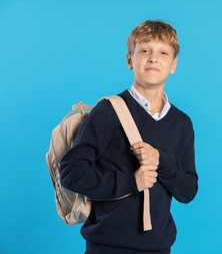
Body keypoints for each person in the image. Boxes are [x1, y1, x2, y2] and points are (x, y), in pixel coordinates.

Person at [60, 20, 198, 254]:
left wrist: (161, 160)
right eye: (144, 50)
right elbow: (71, 174)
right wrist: (132, 182)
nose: (153, 58)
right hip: (106, 247)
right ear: (129, 60)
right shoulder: (108, 112)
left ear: (173, 65)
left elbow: (187, 191)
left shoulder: (182, 123)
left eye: (163, 52)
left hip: (159, 248)